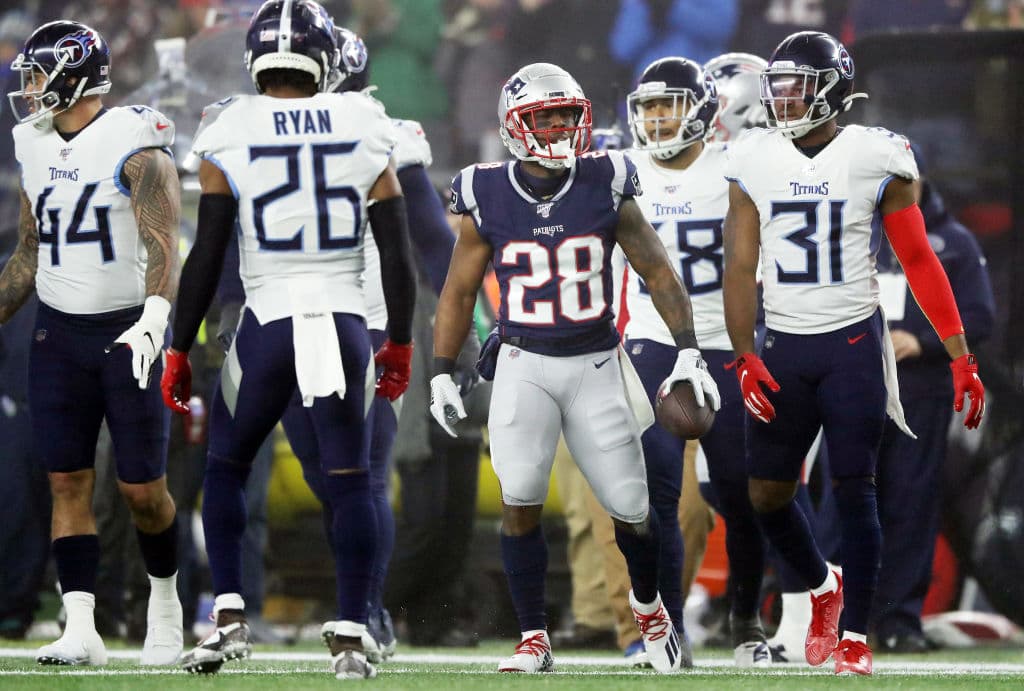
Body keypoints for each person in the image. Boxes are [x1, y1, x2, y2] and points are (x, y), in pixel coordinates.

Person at [430, 61, 720, 674]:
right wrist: (439, 370)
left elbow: (658, 270)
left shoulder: (606, 179)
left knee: (633, 511)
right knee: (520, 500)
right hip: (522, 363)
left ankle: (651, 612)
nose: (562, 127)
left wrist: (689, 346)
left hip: (596, 362)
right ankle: (533, 638)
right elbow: (458, 292)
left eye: (569, 115)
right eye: (547, 116)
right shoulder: (484, 190)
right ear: (516, 126)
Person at [159, 0, 416, 680]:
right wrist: (403, 341)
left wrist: (179, 345)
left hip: (267, 323)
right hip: (342, 320)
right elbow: (397, 251)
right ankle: (356, 634)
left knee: (225, 467)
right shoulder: (365, 120)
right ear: (325, 59)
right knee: (353, 478)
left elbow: (207, 253)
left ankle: (231, 616)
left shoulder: (229, 125)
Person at [722, 31, 987, 676]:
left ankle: (855, 638)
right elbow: (740, 260)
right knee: (766, 495)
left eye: (797, 88)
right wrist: (741, 352)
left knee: (854, 490)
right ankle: (821, 586)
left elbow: (920, 259)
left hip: (851, 343)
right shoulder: (753, 154)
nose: (783, 102)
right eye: (777, 89)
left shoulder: (876, 154)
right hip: (782, 340)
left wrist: (959, 356)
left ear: (835, 90)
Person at [1, 20, 184, 666]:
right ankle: (81, 624)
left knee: (142, 490)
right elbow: (29, 249)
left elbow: (166, 240)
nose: (27, 88)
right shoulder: (33, 143)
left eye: (37, 74)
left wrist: (156, 317)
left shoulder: (134, 140)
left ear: (72, 75)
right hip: (58, 331)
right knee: (66, 480)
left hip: (127, 330)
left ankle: (166, 602)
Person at [618, 53, 771, 667]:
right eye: (649, 107)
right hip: (653, 343)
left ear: (703, 110)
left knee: (742, 493)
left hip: (724, 345)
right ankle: (669, 633)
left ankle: (746, 622)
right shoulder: (619, 170)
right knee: (656, 493)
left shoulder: (736, 168)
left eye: (670, 105)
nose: (657, 119)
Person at [872, 146, 996, 652]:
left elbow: (980, 317)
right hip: (855, 385)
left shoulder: (954, 242)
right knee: (842, 503)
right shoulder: (855, 233)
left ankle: (900, 622)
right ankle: (835, 618)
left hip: (920, 390)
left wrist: (921, 343)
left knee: (910, 502)